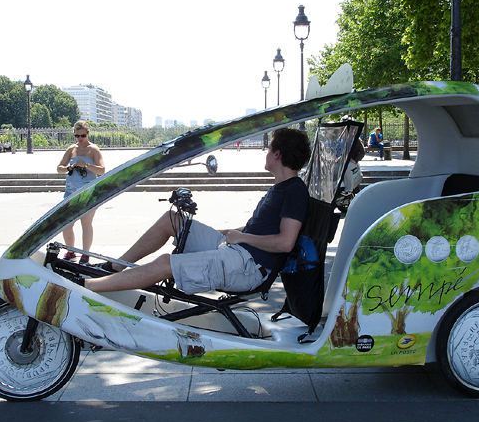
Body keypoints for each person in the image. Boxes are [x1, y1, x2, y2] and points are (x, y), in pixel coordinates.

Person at [84, 127, 311, 295]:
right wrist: (230, 231)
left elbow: (285, 243)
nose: (267, 153)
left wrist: (241, 236)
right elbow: (263, 229)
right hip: (238, 250)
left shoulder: (294, 191)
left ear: (278, 155)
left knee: (166, 263)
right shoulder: (282, 188)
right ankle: (115, 266)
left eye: (269, 148)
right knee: (173, 219)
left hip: (248, 267)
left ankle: (85, 288)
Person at [56, 121, 106, 264]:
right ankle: (71, 251)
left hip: (88, 191)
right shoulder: (71, 149)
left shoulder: (94, 149)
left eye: (82, 135)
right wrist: (69, 167)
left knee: (86, 223)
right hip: (70, 191)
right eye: (76, 136)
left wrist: (86, 165)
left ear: (88, 134)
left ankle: (85, 254)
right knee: (66, 223)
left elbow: (102, 170)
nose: (79, 139)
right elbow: (59, 168)